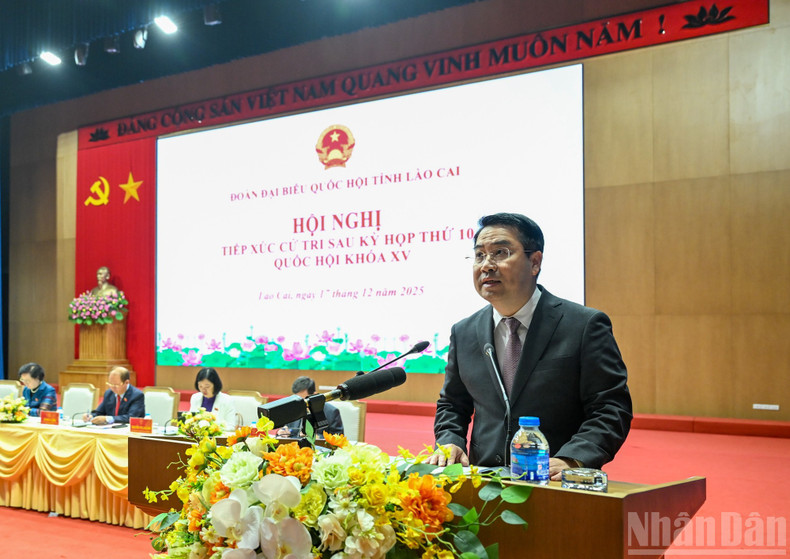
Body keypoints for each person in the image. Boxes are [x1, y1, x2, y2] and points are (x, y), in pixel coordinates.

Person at [429, 212, 632, 480]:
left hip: (554, 483)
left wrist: (574, 458)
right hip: (482, 485)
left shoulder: (583, 325)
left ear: (534, 262)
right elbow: (453, 403)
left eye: (500, 252)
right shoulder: (464, 331)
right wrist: (450, 440)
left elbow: (610, 407)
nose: (487, 265)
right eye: (479, 255)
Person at [277, 376, 344, 437]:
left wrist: (315, 437)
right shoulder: (292, 409)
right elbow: (288, 430)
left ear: (314, 395)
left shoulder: (331, 412)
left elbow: (338, 438)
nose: (300, 405)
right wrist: (282, 432)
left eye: (303, 400)